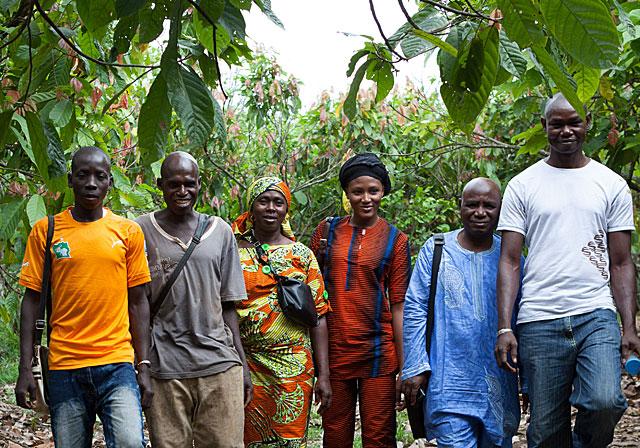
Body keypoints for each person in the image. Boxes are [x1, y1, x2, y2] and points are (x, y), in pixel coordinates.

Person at [495, 93, 640, 447]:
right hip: (539, 319)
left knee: (605, 401)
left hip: (595, 313)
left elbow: (621, 262)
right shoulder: (523, 185)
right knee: (545, 431)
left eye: (573, 122)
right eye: (556, 123)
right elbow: (510, 260)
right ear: (544, 126)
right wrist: (504, 326)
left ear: (587, 123)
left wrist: (630, 326)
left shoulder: (610, 184)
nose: (566, 130)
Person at [15, 146, 152, 447]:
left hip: (117, 363)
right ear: (70, 180)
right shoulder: (46, 231)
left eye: (99, 176)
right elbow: (31, 301)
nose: (91, 182)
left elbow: (139, 302)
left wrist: (143, 365)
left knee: (130, 442)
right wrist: (25, 368)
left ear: (109, 182)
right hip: (65, 365)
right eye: (82, 175)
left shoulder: (128, 232)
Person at [136, 151, 251, 447]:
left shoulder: (220, 231)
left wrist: (242, 365)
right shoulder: (139, 231)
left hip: (219, 364)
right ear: (160, 185)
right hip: (166, 367)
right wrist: (142, 365)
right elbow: (137, 306)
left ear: (200, 184)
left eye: (189, 184)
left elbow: (228, 307)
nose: (182, 191)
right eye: (174, 184)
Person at [402, 178, 522, 448]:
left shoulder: (511, 257)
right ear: (460, 207)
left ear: (500, 209)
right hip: (448, 382)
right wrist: (416, 365)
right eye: (472, 205)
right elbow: (415, 309)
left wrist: (527, 379)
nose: (480, 212)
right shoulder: (436, 250)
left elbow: (524, 315)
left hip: (499, 385)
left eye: (488, 206)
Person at [310, 153, 411, 448]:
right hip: (334, 352)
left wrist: (405, 367)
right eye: (357, 191)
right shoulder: (326, 232)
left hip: (379, 353)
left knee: (379, 437)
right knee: (335, 434)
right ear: (347, 194)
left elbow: (399, 304)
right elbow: (311, 294)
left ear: (383, 192)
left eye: (373, 191)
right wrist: (319, 367)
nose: (366, 198)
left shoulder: (397, 240)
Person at [231, 176, 332, 446]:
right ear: (251, 208)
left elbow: (319, 316)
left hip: (294, 366)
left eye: (278, 202)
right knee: (249, 439)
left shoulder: (302, 254)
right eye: (263, 201)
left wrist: (324, 375)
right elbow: (224, 310)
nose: (271, 208)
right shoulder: (232, 251)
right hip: (248, 364)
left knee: (290, 440)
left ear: (286, 209)